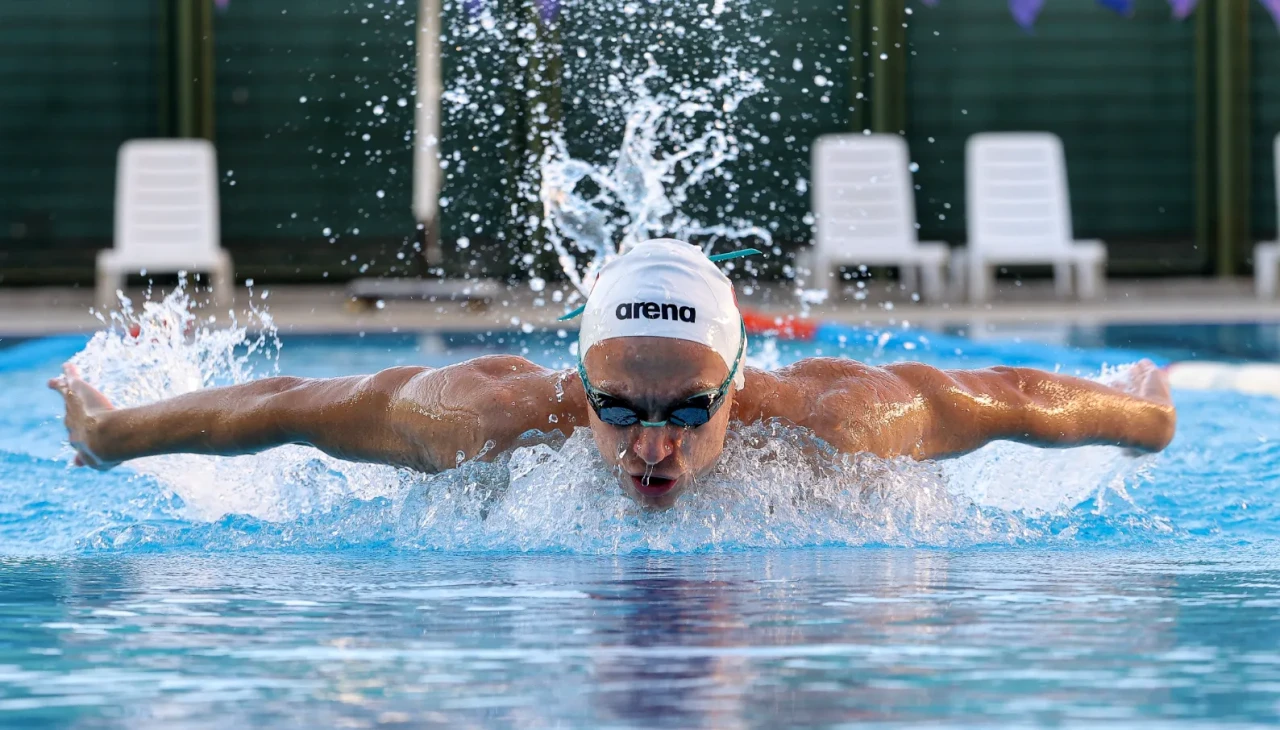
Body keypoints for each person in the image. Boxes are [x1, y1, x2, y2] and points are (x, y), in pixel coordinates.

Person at [49, 238, 1176, 509]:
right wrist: (114, 434)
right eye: (618, 409)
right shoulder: (480, 417)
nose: (652, 448)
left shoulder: (845, 421)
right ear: (571, 383)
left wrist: (1144, 418)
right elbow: (282, 408)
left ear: (742, 383)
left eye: (690, 410)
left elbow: (1021, 399)